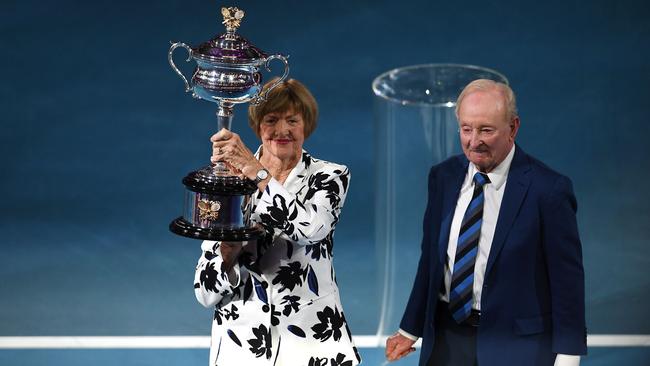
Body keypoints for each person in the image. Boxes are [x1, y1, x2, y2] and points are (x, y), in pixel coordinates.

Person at [385, 79, 586, 366]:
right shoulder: (442, 177)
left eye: (486, 130)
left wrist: (568, 355)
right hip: (446, 339)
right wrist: (410, 328)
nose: (473, 140)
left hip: (515, 347)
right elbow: (431, 261)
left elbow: (567, 281)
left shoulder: (549, 190)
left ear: (513, 128)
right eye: (466, 129)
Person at [193, 78, 361, 366]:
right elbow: (204, 291)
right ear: (258, 126)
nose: (282, 130)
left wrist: (257, 173)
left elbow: (311, 230)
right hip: (241, 345)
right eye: (271, 120)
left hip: (311, 341)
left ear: (306, 125)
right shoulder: (228, 180)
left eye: (292, 120)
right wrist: (227, 256)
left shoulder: (330, 176)